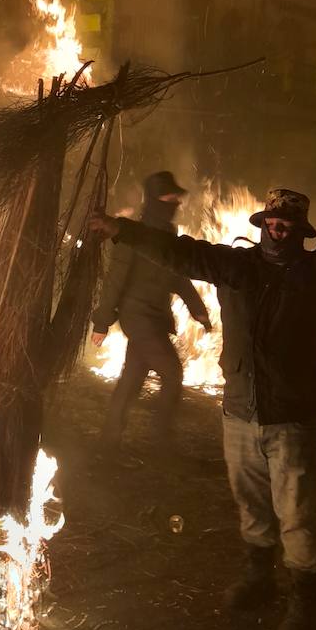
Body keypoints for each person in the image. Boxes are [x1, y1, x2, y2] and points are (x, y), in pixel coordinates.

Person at [91, 163, 316, 630]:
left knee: (296, 513)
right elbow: (180, 253)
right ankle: (259, 578)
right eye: (272, 223)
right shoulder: (237, 268)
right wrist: (123, 231)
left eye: (287, 226)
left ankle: (304, 602)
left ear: (300, 232)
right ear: (262, 225)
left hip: (293, 417)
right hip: (240, 412)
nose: (278, 230)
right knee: (252, 505)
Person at [91, 171, 212, 454]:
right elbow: (115, 279)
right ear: (156, 200)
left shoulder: (169, 235)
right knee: (172, 373)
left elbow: (178, 276)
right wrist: (102, 322)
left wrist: (199, 310)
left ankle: (108, 442)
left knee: (132, 379)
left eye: (175, 197)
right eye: (168, 197)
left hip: (156, 316)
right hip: (138, 317)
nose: (175, 202)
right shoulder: (134, 234)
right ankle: (161, 440)